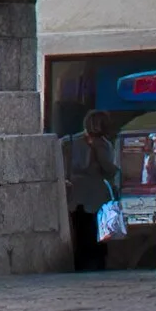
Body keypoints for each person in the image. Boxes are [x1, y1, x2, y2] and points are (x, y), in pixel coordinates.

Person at [65, 108, 117, 272]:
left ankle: (80, 265)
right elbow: (109, 170)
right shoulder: (104, 145)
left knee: (79, 231)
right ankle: (97, 265)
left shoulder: (68, 141)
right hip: (96, 196)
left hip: (74, 195)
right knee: (99, 234)